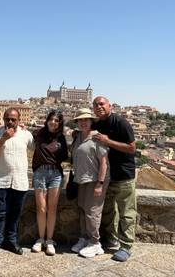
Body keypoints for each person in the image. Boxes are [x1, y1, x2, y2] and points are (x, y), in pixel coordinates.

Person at [92, 96, 136, 262]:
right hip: (107, 176)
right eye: (96, 105)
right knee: (109, 211)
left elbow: (132, 148)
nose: (99, 106)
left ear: (109, 105)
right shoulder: (97, 124)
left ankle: (125, 246)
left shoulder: (121, 123)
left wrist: (107, 141)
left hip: (124, 175)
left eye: (102, 104)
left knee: (127, 213)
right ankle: (111, 239)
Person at [0, 108, 34, 260]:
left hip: (20, 181)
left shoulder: (26, 134)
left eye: (13, 119)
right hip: (2, 180)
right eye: (8, 119)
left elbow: (39, 147)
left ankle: (11, 241)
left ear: (19, 120)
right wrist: (3, 139)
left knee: (15, 214)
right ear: (4, 119)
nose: (10, 122)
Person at [70, 108, 109, 258]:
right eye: (80, 120)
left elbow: (104, 163)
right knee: (82, 209)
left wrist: (100, 183)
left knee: (93, 212)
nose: (83, 122)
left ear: (91, 121)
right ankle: (84, 238)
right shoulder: (78, 136)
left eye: (86, 119)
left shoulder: (97, 138)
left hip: (95, 180)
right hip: (81, 179)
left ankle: (95, 243)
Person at [30, 110, 68, 256]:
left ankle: (50, 240)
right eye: (51, 119)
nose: (53, 122)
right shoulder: (39, 134)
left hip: (56, 175)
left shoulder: (62, 138)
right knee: (41, 208)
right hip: (40, 172)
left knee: (52, 208)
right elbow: (27, 132)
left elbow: (65, 156)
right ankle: (40, 239)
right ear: (47, 121)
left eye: (57, 120)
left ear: (60, 123)